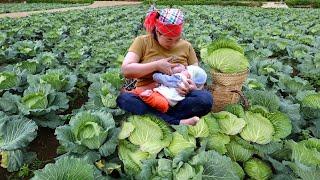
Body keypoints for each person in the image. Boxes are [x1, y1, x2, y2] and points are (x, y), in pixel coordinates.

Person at [116, 7, 213, 126]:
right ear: (157, 32)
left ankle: (158, 119)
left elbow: (197, 75)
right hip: (149, 98)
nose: (173, 43)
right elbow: (126, 70)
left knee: (205, 99)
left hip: (178, 100)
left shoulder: (187, 46)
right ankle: (178, 122)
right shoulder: (142, 42)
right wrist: (156, 65)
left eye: (177, 40)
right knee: (125, 99)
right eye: (169, 39)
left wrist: (193, 87)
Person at [132, 64, 207, 114]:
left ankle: (145, 96)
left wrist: (156, 76)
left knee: (163, 105)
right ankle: (145, 95)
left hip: (166, 100)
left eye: (184, 70)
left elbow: (166, 80)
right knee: (162, 104)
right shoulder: (179, 78)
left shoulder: (180, 78)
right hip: (162, 95)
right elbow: (166, 80)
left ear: (189, 76)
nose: (182, 70)